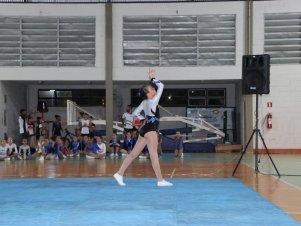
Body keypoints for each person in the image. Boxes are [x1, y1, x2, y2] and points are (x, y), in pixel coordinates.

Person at [113, 75, 173, 187]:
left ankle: (119, 173)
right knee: (154, 155)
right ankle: (160, 180)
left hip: (144, 129)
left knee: (133, 154)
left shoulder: (144, 102)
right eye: (152, 88)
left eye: (154, 88)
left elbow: (135, 114)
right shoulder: (153, 101)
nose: (154, 89)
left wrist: (143, 119)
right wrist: (153, 78)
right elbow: (161, 85)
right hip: (151, 131)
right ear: (148, 93)